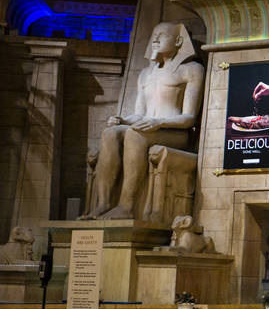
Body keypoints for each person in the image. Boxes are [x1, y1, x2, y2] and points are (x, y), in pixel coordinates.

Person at [82, 22, 205, 220]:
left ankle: (126, 207)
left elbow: (188, 118)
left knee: (134, 135)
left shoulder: (191, 70)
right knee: (110, 133)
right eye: (153, 35)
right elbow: (139, 114)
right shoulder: (145, 74)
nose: (155, 39)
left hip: (175, 132)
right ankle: (103, 203)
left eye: (162, 35)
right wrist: (122, 119)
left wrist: (159, 123)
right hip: (149, 127)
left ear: (178, 41)